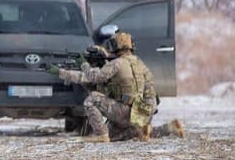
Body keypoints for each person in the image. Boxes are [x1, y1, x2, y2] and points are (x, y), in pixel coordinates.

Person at [49, 32, 184, 142]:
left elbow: (91, 77)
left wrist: (74, 67)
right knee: (124, 135)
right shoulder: (140, 64)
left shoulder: (116, 64)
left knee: (92, 100)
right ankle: (169, 128)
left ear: (115, 47)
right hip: (141, 113)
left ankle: (101, 135)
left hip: (123, 112)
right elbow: (152, 93)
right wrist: (144, 115)